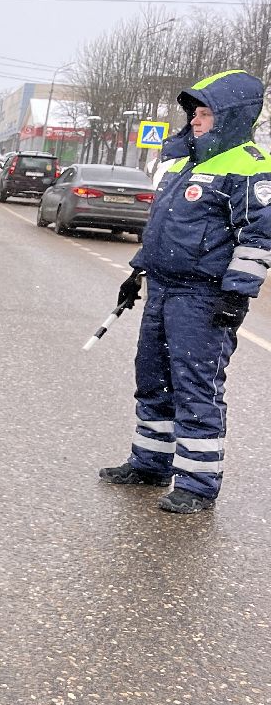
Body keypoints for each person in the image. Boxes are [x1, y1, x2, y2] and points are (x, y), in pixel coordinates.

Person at [99, 69, 269, 513]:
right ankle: (150, 463)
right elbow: (162, 227)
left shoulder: (250, 167)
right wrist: (137, 272)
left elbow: (259, 236)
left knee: (196, 387)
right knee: (152, 378)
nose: (195, 120)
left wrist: (237, 293)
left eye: (206, 112)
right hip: (163, 290)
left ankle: (197, 484)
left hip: (204, 298)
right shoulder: (183, 162)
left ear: (232, 117)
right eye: (194, 112)